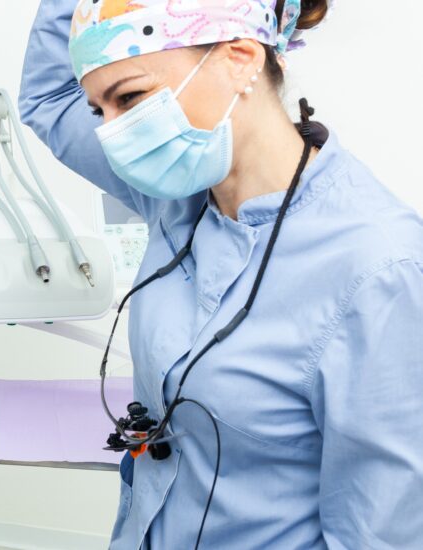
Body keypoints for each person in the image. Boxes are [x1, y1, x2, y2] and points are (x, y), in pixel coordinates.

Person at [21, 0, 423, 547]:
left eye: (131, 98)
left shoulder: (379, 270)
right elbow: (48, 97)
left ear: (240, 57)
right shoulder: (175, 194)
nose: (113, 136)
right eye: (100, 111)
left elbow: (379, 534)